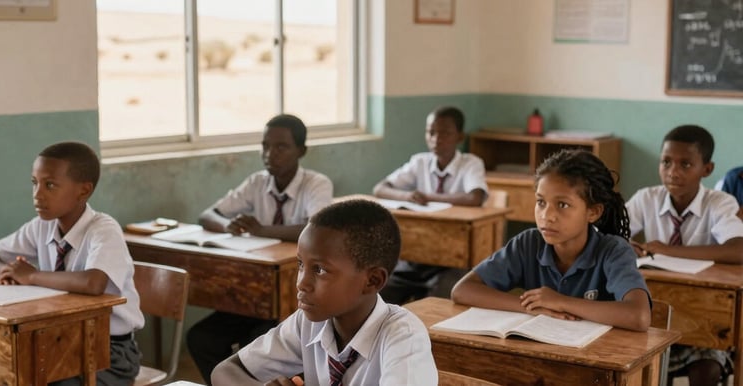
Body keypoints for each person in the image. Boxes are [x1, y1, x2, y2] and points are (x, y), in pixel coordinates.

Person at [211, 199, 438, 386]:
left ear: (372, 281)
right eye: (301, 264)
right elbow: (225, 371)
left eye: (319, 270)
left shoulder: (403, 337)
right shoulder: (308, 323)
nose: (301, 283)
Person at [0, 141, 144, 386]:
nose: (37, 194)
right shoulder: (42, 226)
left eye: (50, 185)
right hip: (60, 342)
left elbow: (93, 282)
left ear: (83, 191)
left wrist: (32, 276)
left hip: (110, 351)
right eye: (34, 183)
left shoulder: (103, 229)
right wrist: (9, 271)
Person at [188, 114, 334, 384]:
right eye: (265, 146)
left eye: (281, 147)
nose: (270, 154)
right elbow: (208, 214)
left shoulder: (316, 183)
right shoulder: (257, 182)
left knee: (254, 343)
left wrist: (262, 230)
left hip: (293, 297)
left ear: (301, 150)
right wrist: (228, 224)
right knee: (201, 339)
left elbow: (318, 229)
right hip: (253, 296)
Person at [451, 149, 652, 333]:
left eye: (562, 205)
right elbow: (462, 290)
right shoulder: (528, 243)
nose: (547, 215)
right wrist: (531, 307)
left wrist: (561, 302)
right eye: (541, 202)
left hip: (598, 355)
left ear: (593, 212)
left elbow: (639, 316)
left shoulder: (613, 251)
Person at [626, 125, 743, 386]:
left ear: (707, 169)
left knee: (708, 368)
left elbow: (739, 250)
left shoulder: (719, 203)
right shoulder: (646, 198)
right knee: (633, 358)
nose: (673, 172)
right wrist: (622, 245)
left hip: (704, 317)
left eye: (685, 164)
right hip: (654, 312)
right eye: (666, 162)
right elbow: (605, 235)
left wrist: (668, 249)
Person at [372, 105, 488, 304]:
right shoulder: (420, 162)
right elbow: (380, 188)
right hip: (415, 260)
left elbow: (475, 197)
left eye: (445, 133)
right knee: (377, 295)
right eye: (431, 132)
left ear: (460, 137)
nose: (436, 139)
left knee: (438, 300)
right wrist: (407, 195)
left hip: (452, 261)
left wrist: (429, 197)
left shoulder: (471, 163)